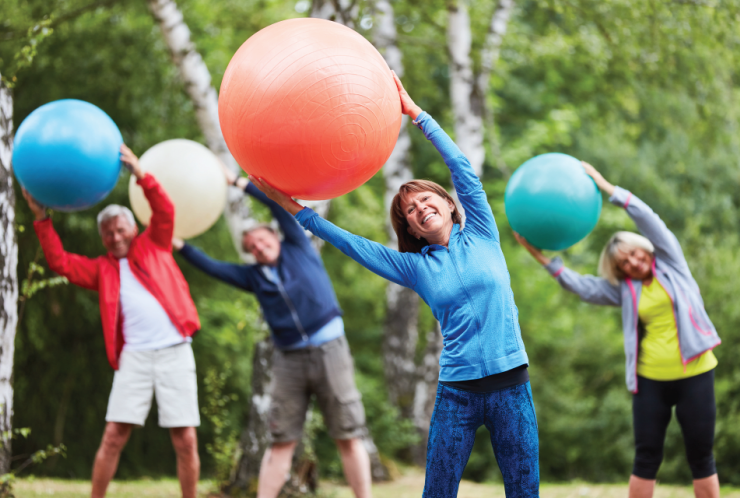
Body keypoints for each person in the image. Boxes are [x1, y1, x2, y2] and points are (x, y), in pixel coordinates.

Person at [249, 72, 539, 498]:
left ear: (447, 202)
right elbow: (354, 246)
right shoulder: (414, 267)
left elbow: (462, 168)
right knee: (437, 493)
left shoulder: (481, 231)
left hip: (511, 382)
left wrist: (416, 114)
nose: (420, 210)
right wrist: (295, 209)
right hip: (457, 391)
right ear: (413, 231)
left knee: (523, 489)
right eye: (410, 212)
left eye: (426, 200)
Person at [515, 162, 721, 498]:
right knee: (646, 457)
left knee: (701, 456)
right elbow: (581, 286)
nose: (633, 264)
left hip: (696, 374)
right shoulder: (624, 290)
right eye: (624, 263)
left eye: (635, 255)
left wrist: (607, 187)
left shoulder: (672, 263)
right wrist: (540, 256)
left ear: (644, 249)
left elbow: (647, 217)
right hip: (649, 379)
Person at [173, 170, 372, 498]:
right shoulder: (253, 277)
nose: (260, 248)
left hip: (330, 350)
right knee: (281, 440)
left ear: (276, 237)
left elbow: (279, 205)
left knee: (348, 434)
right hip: (288, 360)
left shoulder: (298, 246)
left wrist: (239, 184)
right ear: (250, 254)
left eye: (263, 241)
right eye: (252, 247)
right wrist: (177, 243)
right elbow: (211, 266)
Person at [23, 145, 201, 498]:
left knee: (184, 437)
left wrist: (140, 173)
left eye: (120, 229)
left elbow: (165, 210)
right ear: (102, 238)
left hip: (175, 352)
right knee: (114, 435)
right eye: (108, 233)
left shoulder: (156, 244)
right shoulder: (101, 270)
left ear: (133, 227)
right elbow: (60, 263)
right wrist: (41, 218)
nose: (115, 237)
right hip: (134, 357)